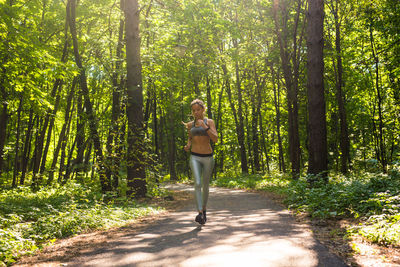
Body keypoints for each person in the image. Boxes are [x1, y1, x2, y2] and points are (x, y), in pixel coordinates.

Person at [182, 99, 218, 225]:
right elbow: (190, 139)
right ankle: (199, 213)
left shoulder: (209, 122)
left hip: (208, 157)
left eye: (198, 109)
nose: (196, 112)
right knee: (197, 183)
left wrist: (205, 127)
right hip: (194, 156)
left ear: (203, 109)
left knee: (205, 184)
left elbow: (215, 139)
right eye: (193, 110)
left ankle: (204, 209)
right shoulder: (190, 125)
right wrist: (187, 146)